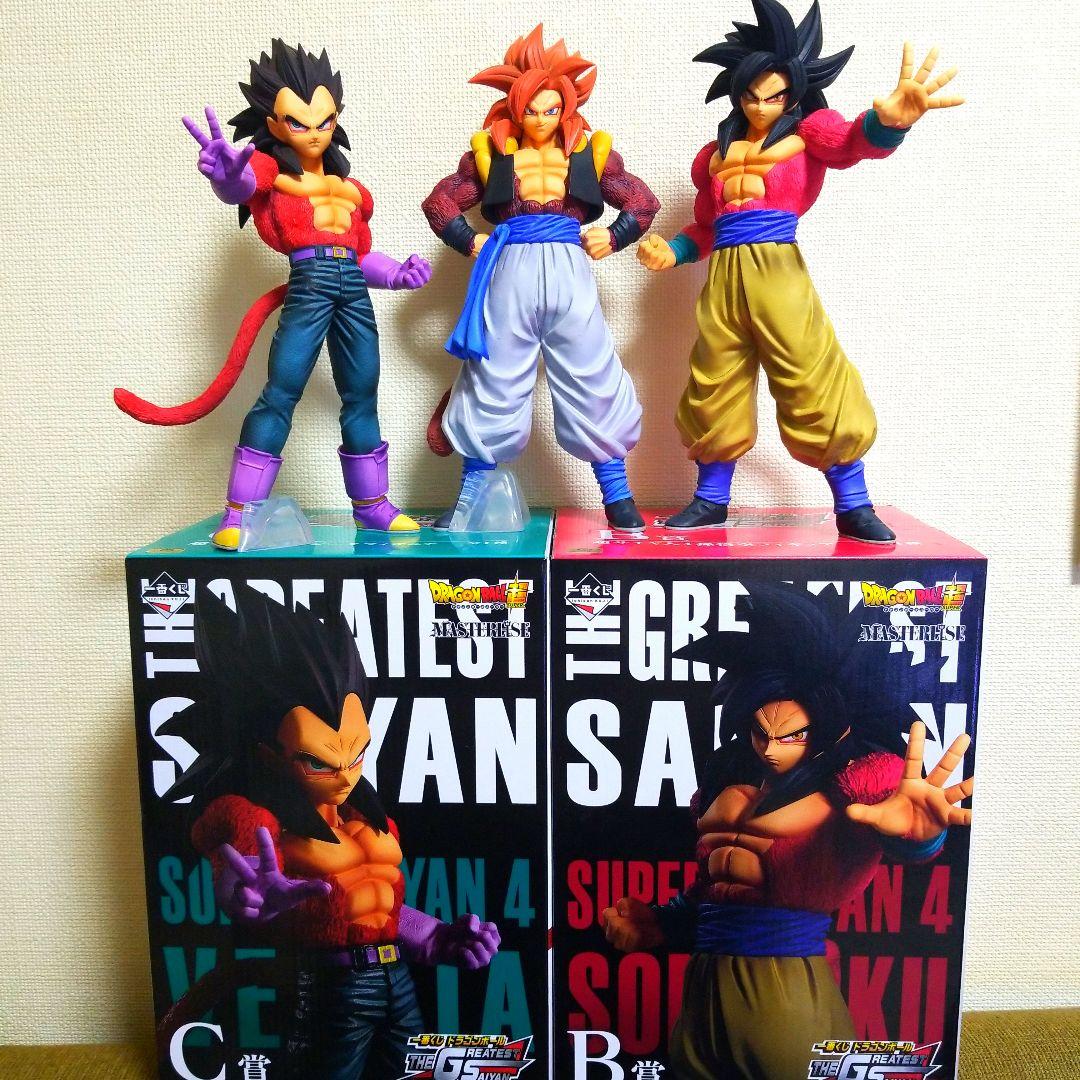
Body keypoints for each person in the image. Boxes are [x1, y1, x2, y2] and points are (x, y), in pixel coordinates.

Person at [601, 585, 974, 1079]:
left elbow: (901, 833)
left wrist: (922, 834)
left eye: (793, 734)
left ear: (832, 724)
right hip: (703, 992)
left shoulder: (857, 777)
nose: (771, 749)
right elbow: (717, 886)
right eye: (761, 731)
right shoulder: (726, 777)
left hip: (786, 991)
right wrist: (661, 922)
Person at [637, 0, 962, 542]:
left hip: (778, 269)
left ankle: (852, 503)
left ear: (792, 92)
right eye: (751, 95)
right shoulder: (713, 155)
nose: (761, 106)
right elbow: (706, 226)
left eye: (774, 96)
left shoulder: (810, 131)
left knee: (810, 371)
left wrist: (888, 122)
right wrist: (672, 252)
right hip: (724, 278)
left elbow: (854, 143)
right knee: (714, 377)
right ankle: (711, 498)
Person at [115, 41, 431, 547]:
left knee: (361, 393)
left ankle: (372, 506)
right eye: (298, 123)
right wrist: (227, 175)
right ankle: (239, 512)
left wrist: (397, 275)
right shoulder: (271, 170)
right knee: (281, 391)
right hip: (309, 285)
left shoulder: (354, 189)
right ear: (274, 123)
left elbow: (361, 254)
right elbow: (242, 183)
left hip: (352, 289)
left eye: (325, 120)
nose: (314, 132)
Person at [422, 25, 660, 532]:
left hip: (570, 269)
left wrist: (615, 235)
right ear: (515, 108)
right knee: (493, 375)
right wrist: (469, 240)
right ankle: (469, 499)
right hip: (509, 268)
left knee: (591, 371)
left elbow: (642, 202)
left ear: (566, 109)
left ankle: (617, 495)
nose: (540, 119)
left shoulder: (589, 152)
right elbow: (440, 203)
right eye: (530, 110)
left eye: (551, 110)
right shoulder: (491, 153)